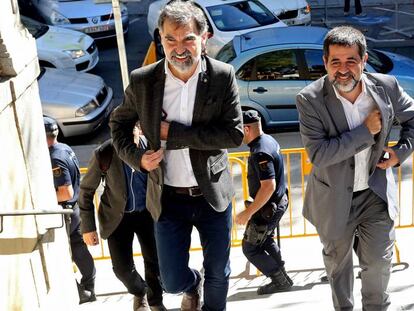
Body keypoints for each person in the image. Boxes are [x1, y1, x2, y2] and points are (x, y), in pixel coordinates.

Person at [109, 0, 243, 309]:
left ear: (203, 38)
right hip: (167, 197)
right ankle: (191, 284)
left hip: (212, 194)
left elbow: (234, 134)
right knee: (170, 280)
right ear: (160, 38)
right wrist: (137, 158)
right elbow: (118, 123)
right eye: (170, 39)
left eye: (187, 39)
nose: (178, 48)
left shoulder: (222, 76)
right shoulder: (144, 80)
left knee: (219, 273)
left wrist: (174, 133)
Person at [296, 25, 414, 310]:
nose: (343, 69)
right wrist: (365, 132)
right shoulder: (309, 99)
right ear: (325, 63)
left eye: (351, 60)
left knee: (378, 265)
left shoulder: (386, 87)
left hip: (375, 195)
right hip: (333, 199)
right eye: (335, 61)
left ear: (364, 60)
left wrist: (400, 152)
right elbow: (319, 154)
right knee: (339, 269)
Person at [78, 127, 166, 311]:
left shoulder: (153, 149)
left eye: (128, 132)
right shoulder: (105, 152)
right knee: (121, 269)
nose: (122, 140)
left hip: (148, 214)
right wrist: (88, 227)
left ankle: (156, 301)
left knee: (154, 262)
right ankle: (140, 291)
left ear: (139, 130)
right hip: (117, 217)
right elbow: (86, 191)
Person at [235, 110, 292, 295]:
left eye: (238, 129)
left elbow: (268, 186)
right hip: (277, 201)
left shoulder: (260, 152)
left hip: (268, 207)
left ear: (246, 128)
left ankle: (279, 280)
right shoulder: (268, 139)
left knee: (250, 247)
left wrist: (248, 212)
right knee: (265, 240)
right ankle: (282, 274)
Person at [43, 116, 96, 304]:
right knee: (79, 249)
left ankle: (80, 291)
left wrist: (44, 198)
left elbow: (65, 192)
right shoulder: (64, 148)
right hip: (76, 208)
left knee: (62, 253)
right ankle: (89, 288)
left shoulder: (53, 158)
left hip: (67, 212)